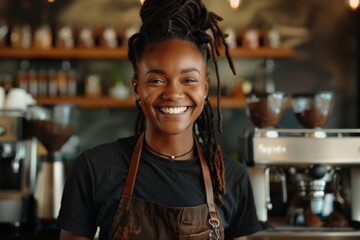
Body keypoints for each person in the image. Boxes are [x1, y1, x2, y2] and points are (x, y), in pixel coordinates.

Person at [57, 0, 262, 239]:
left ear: (205, 88)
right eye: (156, 80)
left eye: (189, 80)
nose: (173, 94)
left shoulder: (231, 178)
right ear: (136, 87)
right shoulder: (95, 168)